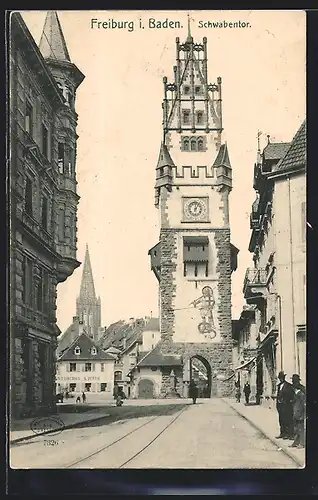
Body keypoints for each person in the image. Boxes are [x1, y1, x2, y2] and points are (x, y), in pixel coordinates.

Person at [276, 371, 295, 439]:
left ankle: (288, 434)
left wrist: (288, 402)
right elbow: (278, 395)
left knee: (287, 420)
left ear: (284, 378)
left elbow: (291, 395)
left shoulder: (288, 385)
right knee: (281, 420)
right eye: (280, 378)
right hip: (280, 407)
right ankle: (282, 433)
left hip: (286, 406)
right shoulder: (279, 386)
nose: (281, 379)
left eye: (282, 378)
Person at [290, 374, 306, 448]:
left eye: (294, 381)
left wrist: (304, 414)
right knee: (296, 429)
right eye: (293, 381)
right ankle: (296, 442)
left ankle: (302, 443)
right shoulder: (294, 390)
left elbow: (304, 403)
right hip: (296, 412)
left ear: (297, 381)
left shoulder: (302, 391)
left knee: (301, 428)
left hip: (300, 413)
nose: (293, 383)